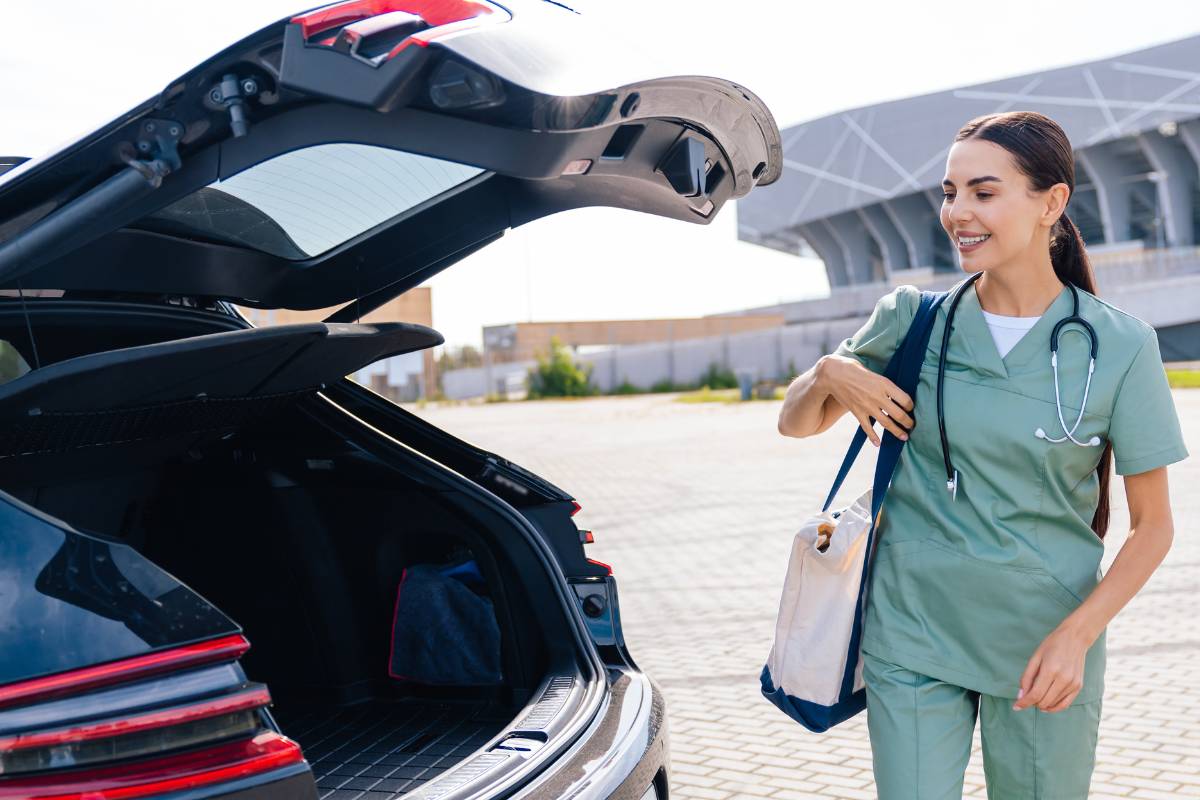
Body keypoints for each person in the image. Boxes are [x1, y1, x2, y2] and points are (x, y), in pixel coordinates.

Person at [776, 110, 1189, 799]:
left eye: (983, 192)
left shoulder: (1120, 346)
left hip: (1043, 640)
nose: (957, 212)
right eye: (948, 191)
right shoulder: (913, 318)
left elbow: (1155, 527)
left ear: (1050, 203)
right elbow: (794, 424)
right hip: (912, 632)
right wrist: (827, 372)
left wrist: (1077, 637)